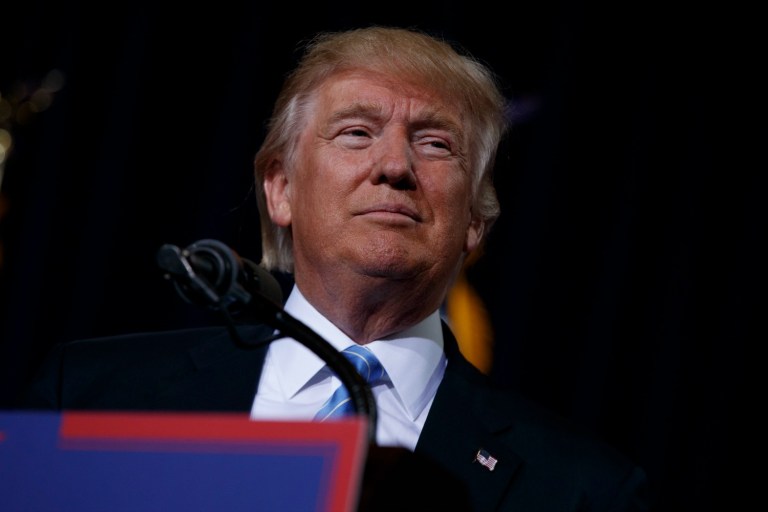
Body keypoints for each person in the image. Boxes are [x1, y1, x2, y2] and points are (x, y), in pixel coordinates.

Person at [23, 26, 649, 511]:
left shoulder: (583, 490)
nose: (395, 166)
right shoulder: (89, 395)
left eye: (435, 143)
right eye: (356, 132)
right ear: (281, 190)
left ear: (476, 222)